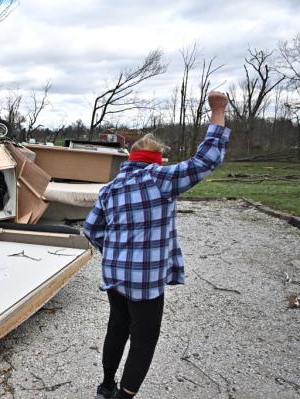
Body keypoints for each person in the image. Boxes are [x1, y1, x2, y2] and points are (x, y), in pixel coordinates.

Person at [83, 91, 230, 399]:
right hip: (145, 280)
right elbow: (207, 158)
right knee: (144, 338)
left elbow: (92, 229)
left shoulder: (111, 189)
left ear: (130, 158)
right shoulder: (162, 180)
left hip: (114, 273)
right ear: (158, 160)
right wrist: (218, 109)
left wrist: (115, 252)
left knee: (117, 327)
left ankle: (106, 386)